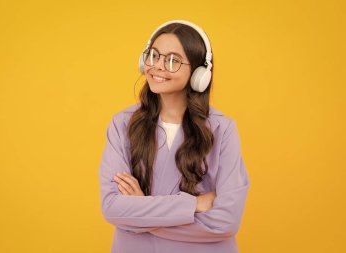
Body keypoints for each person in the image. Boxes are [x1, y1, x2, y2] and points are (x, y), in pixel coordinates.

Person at [98, 20, 250, 253]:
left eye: (172, 60)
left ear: (200, 73)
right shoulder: (122, 124)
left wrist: (139, 215)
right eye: (154, 55)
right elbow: (112, 208)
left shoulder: (223, 129)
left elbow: (226, 222)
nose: (158, 66)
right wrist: (194, 204)